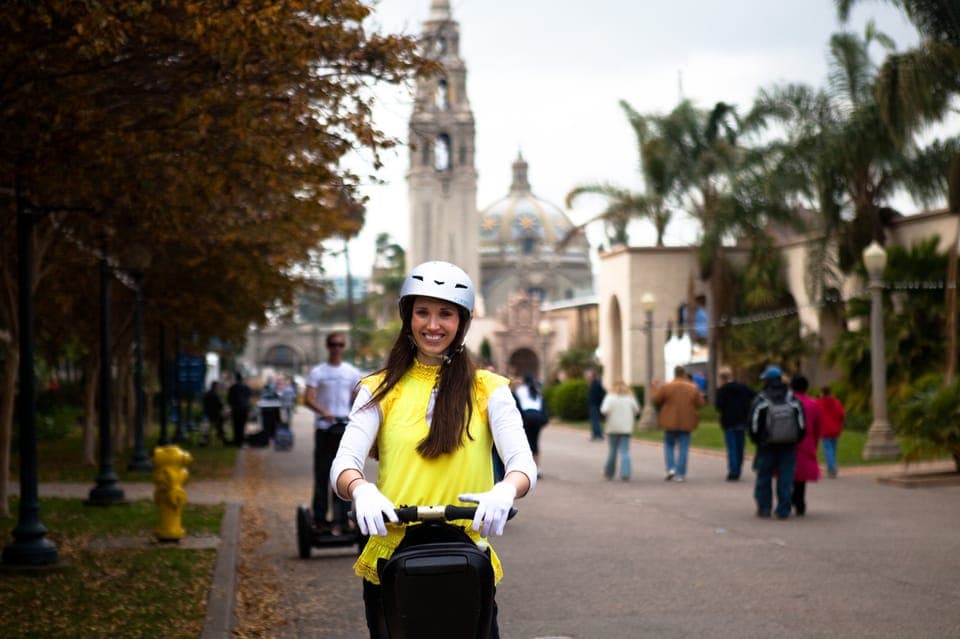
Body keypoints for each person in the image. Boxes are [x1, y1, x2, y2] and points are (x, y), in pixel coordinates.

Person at [330, 260, 536, 639]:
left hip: (466, 555)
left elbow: (522, 462)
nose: (433, 325)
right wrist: (360, 489)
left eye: (445, 314)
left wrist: (507, 488)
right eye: (422, 312)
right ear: (408, 316)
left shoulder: (490, 388)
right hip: (393, 553)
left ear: (462, 321)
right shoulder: (377, 389)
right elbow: (344, 463)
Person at [305, 332, 363, 534]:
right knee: (322, 474)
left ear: (343, 347)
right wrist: (324, 412)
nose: (336, 348)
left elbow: (358, 399)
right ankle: (319, 520)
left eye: (340, 344)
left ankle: (342, 520)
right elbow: (308, 398)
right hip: (324, 428)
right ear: (327, 346)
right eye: (333, 344)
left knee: (342, 474)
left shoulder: (351, 372)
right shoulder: (318, 372)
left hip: (344, 428)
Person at [748, 365, 804, 519]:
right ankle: (783, 509)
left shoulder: (762, 399)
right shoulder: (791, 398)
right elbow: (801, 424)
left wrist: (758, 440)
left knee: (764, 476)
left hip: (766, 445)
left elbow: (753, 424)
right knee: (786, 477)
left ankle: (764, 508)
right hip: (788, 444)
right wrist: (795, 439)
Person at [651, 366, 705, 482]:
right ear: (684, 374)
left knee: (669, 445)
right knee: (684, 447)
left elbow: (655, 400)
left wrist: (655, 387)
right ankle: (680, 474)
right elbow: (700, 403)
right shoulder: (692, 387)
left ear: (674, 373)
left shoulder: (667, 386)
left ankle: (671, 468)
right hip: (687, 420)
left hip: (669, 420)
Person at [714, 367, 756, 481]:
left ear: (721, 378)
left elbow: (718, 406)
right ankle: (739, 466)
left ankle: (733, 470)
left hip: (729, 421)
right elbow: (755, 395)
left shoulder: (722, 390)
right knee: (740, 446)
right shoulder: (742, 387)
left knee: (731, 446)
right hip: (742, 419)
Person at [790, 375, 821, 516]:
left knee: (788, 472)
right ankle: (800, 502)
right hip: (807, 441)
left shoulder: (788, 402)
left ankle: (789, 499)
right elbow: (817, 427)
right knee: (801, 477)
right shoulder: (813, 404)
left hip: (789, 440)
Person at [599, 381, 640, 481]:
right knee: (625, 450)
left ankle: (609, 473)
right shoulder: (630, 398)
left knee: (612, 450)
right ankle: (625, 472)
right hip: (626, 427)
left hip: (613, 427)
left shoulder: (610, 397)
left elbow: (604, 410)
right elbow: (637, 410)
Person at [514, 374, 548, 479]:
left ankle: (527, 468)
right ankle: (537, 468)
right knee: (535, 443)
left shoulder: (520, 390)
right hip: (537, 417)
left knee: (526, 443)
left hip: (527, 417)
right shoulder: (537, 390)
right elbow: (542, 405)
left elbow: (517, 404)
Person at [817, 385, 846, 478]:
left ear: (822, 393)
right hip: (835, 429)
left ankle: (832, 468)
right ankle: (831, 467)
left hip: (825, 429)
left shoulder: (819, 403)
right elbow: (842, 414)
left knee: (828, 450)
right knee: (833, 450)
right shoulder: (837, 402)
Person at [226, 372, 252, 447]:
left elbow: (229, 399)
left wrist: (231, 406)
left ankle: (236, 441)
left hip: (236, 409)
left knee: (236, 425)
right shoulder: (246, 387)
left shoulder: (232, 388)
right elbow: (248, 397)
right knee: (242, 425)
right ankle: (240, 441)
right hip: (244, 409)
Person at [202, 380, 227, 445]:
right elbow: (221, 405)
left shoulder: (207, 394)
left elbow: (204, 405)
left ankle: (211, 437)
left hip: (208, 414)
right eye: (218, 386)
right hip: (215, 415)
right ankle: (221, 437)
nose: (219, 388)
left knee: (219, 422)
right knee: (221, 421)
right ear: (215, 386)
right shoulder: (215, 395)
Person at [586, 368, 606, 441]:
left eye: (589, 376)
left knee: (595, 421)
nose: (588, 377)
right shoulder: (593, 383)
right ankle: (595, 435)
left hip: (595, 405)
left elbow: (600, 395)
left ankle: (598, 435)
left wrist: (599, 404)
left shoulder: (596, 384)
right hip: (592, 405)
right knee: (593, 421)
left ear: (593, 376)